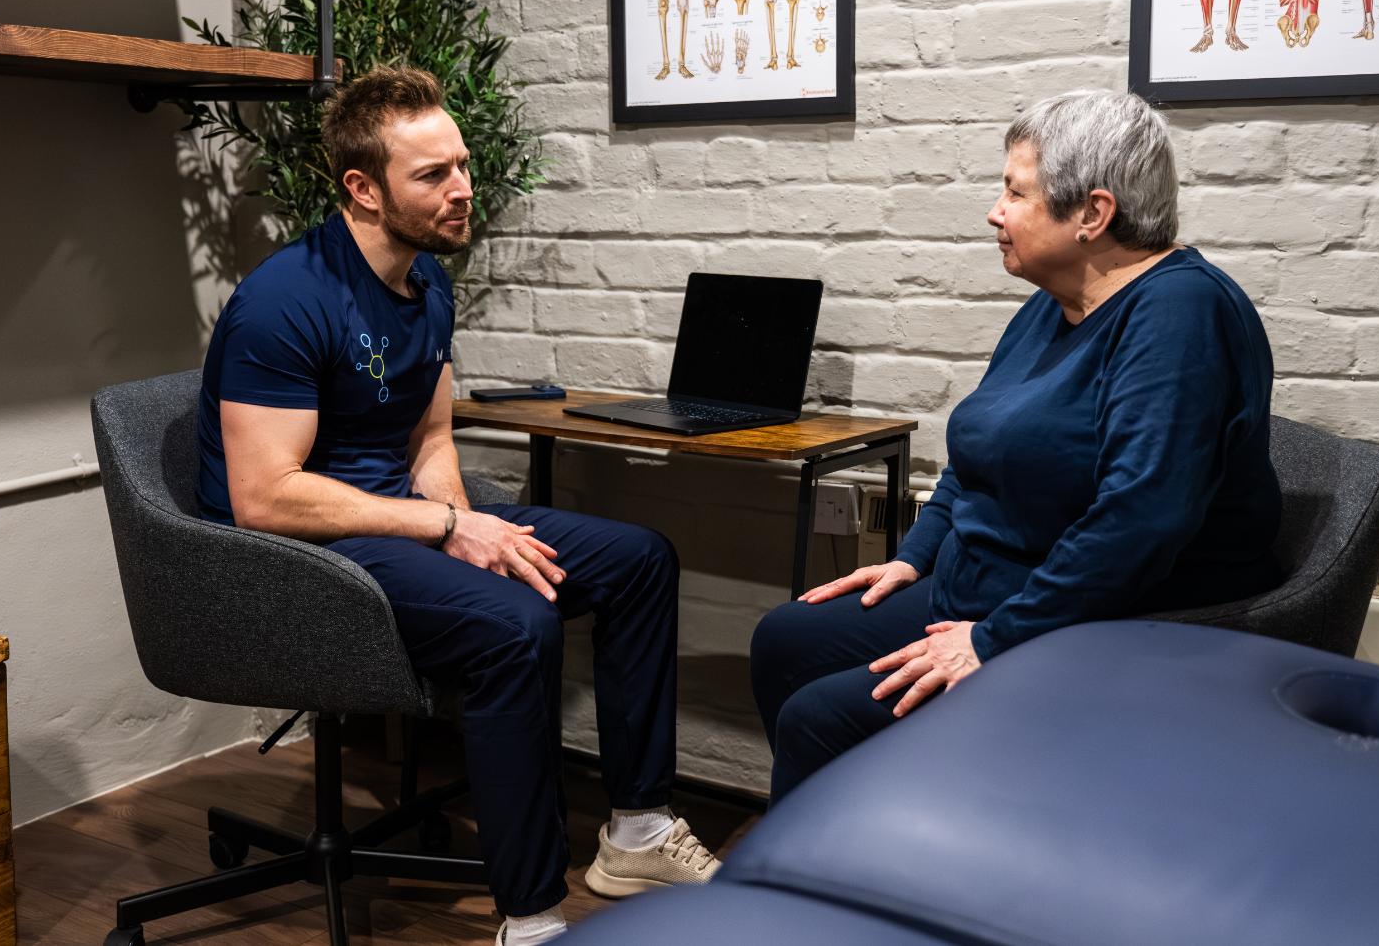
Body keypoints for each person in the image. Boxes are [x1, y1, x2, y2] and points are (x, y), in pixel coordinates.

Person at [194, 65, 719, 946]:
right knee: (517, 625)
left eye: (462, 165)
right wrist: (446, 528)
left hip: (390, 519)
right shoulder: (282, 303)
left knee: (637, 559)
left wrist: (465, 529)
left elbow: (431, 441)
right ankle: (531, 915)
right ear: (362, 189)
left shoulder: (427, 282)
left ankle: (633, 831)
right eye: (433, 175)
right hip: (293, 554)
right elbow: (264, 497)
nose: (463, 189)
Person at [750, 89, 1282, 804]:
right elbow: (979, 454)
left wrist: (991, 640)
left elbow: (1140, 519)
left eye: (1014, 192)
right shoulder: (1054, 302)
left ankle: (849, 895)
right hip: (988, 584)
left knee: (820, 719)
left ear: (1092, 214)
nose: (994, 212)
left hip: (1098, 620)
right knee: (785, 638)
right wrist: (912, 557)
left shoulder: (1180, 313)